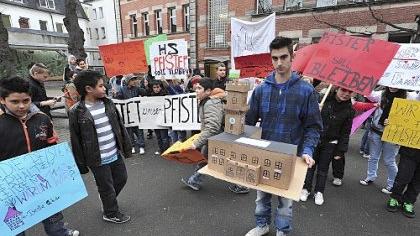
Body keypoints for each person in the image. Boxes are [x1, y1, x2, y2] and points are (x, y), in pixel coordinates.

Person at [244, 37, 322, 236]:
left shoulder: (306, 91)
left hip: (291, 155)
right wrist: (245, 145)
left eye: (284, 57)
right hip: (264, 154)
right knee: (261, 196)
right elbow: (250, 123)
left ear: (292, 56)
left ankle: (283, 230)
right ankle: (262, 225)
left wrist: (307, 150)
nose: (279, 63)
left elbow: (313, 127)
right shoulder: (261, 90)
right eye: (274, 58)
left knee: (285, 202)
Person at [0, 76, 79, 236]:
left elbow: (52, 144)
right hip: (10, 185)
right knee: (14, 222)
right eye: (14, 102)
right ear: (2, 100)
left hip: (42, 180)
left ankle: (60, 233)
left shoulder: (42, 119)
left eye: (26, 100)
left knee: (52, 212)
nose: (21, 106)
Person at [69, 70, 132, 224]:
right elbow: (75, 139)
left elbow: (119, 127)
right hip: (97, 159)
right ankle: (110, 213)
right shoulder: (76, 111)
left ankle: (106, 199)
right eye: (101, 86)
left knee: (121, 178)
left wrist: (126, 147)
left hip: (114, 153)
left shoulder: (108, 103)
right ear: (88, 89)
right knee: (107, 187)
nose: (105, 89)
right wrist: (81, 165)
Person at [300, 87, 355, 205]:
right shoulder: (321, 100)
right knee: (310, 166)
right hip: (315, 139)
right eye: (343, 90)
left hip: (331, 143)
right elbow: (307, 118)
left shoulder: (349, 110)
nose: (346, 94)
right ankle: (306, 188)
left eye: (349, 92)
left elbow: (346, 132)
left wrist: (340, 151)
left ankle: (319, 191)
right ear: (336, 89)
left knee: (323, 169)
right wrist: (315, 111)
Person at [360, 87, 406, 194]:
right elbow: (367, 92)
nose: (392, 85)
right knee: (373, 157)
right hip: (376, 131)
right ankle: (370, 176)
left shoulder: (408, 97)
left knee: (389, 160)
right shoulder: (381, 94)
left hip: (393, 134)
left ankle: (392, 184)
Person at [181, 77, 225, 190]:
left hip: (217, 139)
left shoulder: (210, 103)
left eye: (199, 88)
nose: (196, 90)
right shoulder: (207, 101)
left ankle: (240, 185)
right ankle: (194, 180)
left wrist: (196, 143)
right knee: (204, 160)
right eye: (196, 88)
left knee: (220, 162)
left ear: (208, 91)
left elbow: (212, 128)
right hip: (214, 139)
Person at [116, 74, 147, 155]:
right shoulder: (122, 89)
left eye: (135, 80)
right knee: (129, 131)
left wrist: (145, 86)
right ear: (127, 81)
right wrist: (115, 94)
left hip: (136, 113)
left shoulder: (137, 88)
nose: (134, 81)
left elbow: (144, 93)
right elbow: (118, 99)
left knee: (139, 130)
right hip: (127, 114)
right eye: (132, 80)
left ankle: (141, 146)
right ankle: (132, 146)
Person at [149, 80, 170, 155]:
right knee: (158, 136)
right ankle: (161, 149)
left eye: (158, 87)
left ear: (161, 87)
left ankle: (166, 151)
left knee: (164, 137)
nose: (156, 89)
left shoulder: (165, 95)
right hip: (155, 119)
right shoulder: (150, 96)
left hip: (163, 119)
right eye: (154, 87)